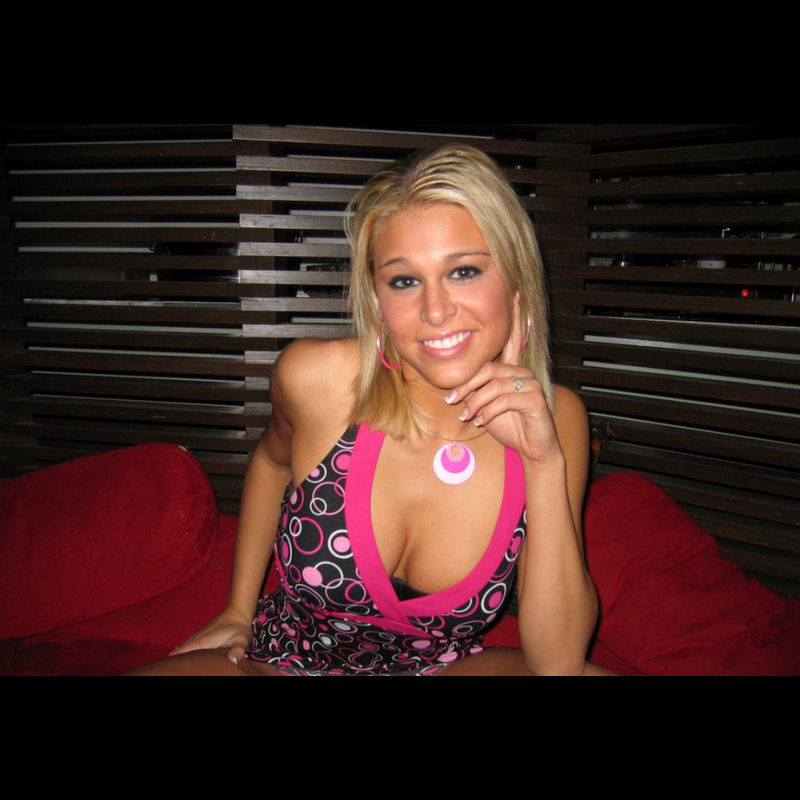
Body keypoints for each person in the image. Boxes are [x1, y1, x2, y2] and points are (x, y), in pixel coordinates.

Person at [128, 144, 606, 676]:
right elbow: (270, 461)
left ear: (516, 281)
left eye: (464, 271)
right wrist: (239, 609)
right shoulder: (319, 380)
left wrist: (543, 463)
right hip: (288, 661)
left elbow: (557, 665)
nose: (435, 310)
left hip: (438, 668)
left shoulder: (555, 417)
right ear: (377, 298)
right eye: (405, 281)